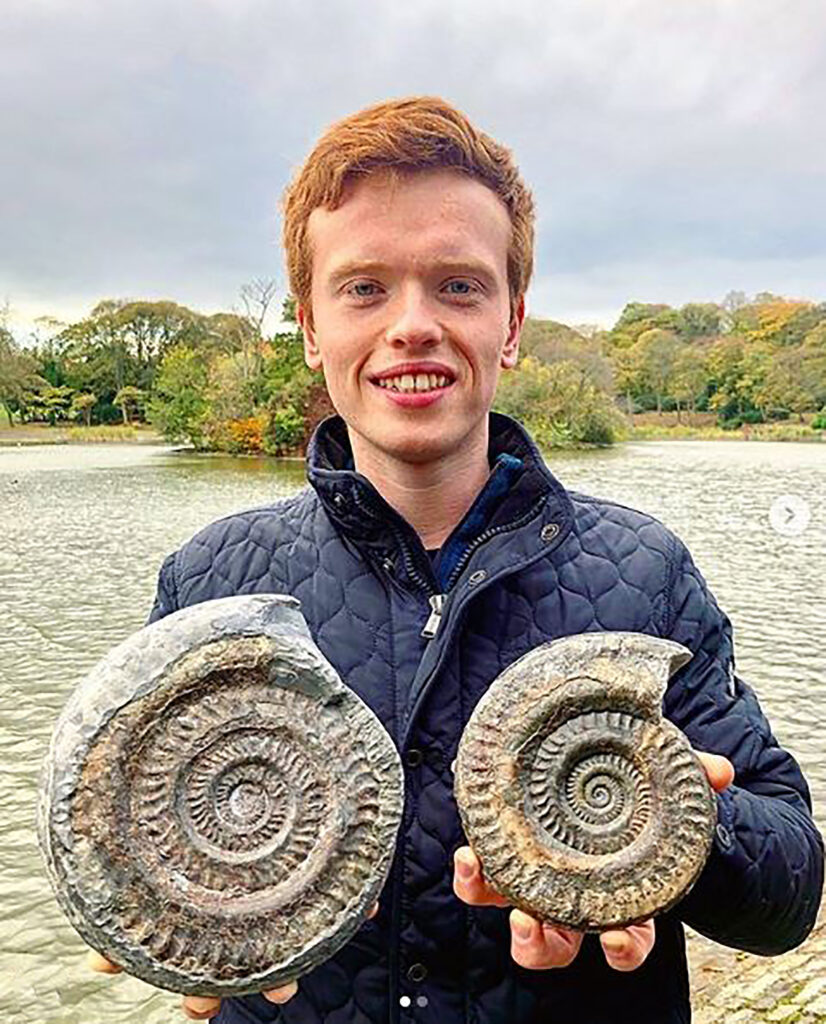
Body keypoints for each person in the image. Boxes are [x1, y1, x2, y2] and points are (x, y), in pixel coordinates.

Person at [89, 96, 823, 1023]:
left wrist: (665, 821)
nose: (412, 325)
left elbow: (790, 892)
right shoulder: (212, 583)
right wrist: (142, 907)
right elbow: (132, 816)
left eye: (459, 286)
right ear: (310, 328)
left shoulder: (644, 571)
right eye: (364, 288)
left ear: (511, 326)